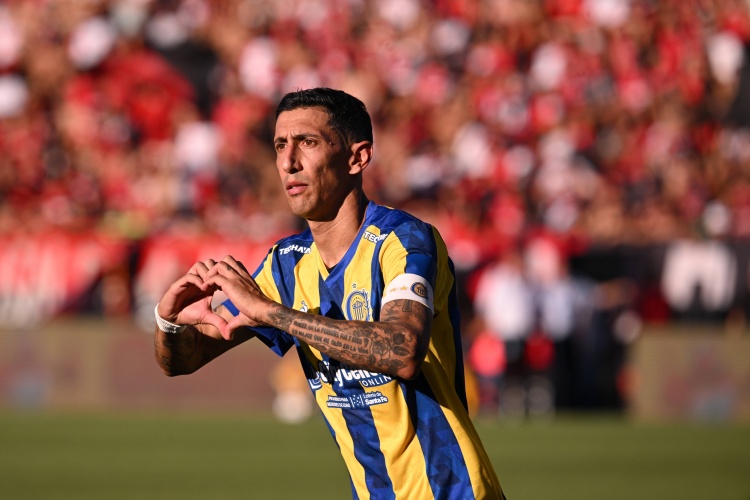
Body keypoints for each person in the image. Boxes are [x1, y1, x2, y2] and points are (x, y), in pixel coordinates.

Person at [153, 87, 505, 499]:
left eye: (308, 142)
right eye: (280, 145)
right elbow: (187, 358)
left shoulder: (404, 241)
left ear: (358, 157)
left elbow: (403, 351)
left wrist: (273, 313)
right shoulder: (287, 264)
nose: (289, 162)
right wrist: (169, 322)